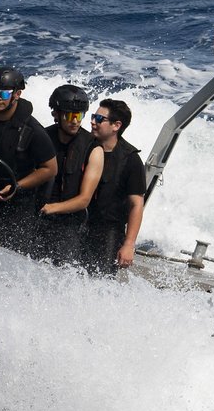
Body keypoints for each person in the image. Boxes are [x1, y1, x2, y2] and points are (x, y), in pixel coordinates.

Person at [0, 66, 57, 256]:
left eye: (3, 94)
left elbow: (50, 169)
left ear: (17, 94)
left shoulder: (32, 130)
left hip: (18, 203)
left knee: (8, 256)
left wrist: (16, 186)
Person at [38, 84, 103, 266]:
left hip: (69, 225)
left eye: (80, 115)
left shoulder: (93, 148)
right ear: (56, 114)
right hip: (38, 218)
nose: (75, 121)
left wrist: (51, 208)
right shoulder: (42, 137)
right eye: (70, 115)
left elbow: (84, 199)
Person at [86, 98, 145, 273]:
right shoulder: (84, 146)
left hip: (108, 231)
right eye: (92, 116)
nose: (92, 122)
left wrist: (129, 244)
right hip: (79, 223)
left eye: (98, 119)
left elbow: (136, 205)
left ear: (116, 126)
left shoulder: (131, 160)